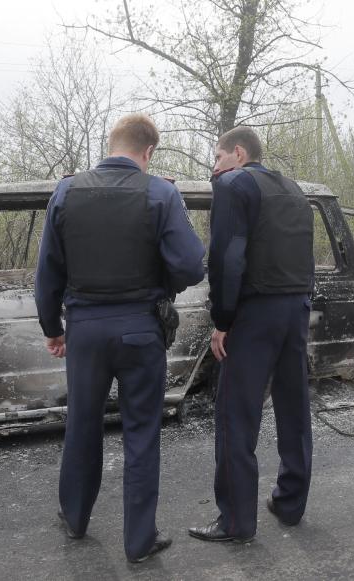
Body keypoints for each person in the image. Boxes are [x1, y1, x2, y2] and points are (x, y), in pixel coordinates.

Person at [35, 113, 206, 563]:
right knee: (142, 433)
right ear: (149, 152)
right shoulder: (161, 192)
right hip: (140, 329)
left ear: (110, 144)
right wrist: (162, 283)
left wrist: (53, 328)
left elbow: (47, 272)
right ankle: (139, 541)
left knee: (82, 425)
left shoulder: (67, 191)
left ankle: (75, 518)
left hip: (86, 330)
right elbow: (191, 265)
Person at [188, 126, 315, 543]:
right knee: (293, 408)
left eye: (217, 158)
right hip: (296, 309)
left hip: (255, 314)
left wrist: (221, 320)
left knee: (236, 416)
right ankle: (290, 504)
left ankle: (236, 522)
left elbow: (227, 256)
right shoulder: (294, 189)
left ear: (237, 154)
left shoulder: (233, 183)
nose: (214, 167)